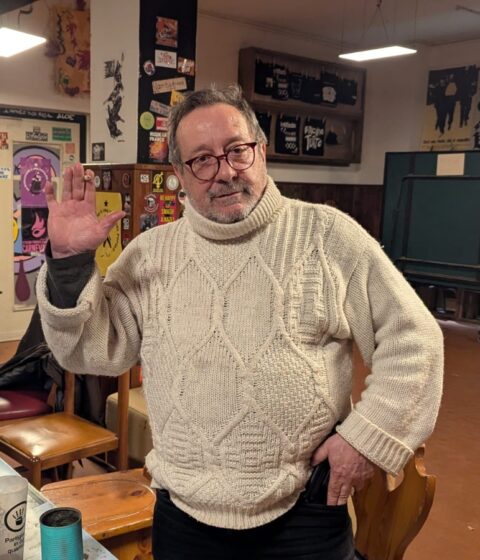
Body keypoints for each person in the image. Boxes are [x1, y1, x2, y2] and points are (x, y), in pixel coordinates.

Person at [36, 85, 443, 559]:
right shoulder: (150, 255)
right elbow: (89, 351)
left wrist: (365, 441)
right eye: (202, 160)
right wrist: (68, 263)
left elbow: (414, 339)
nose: (225, 172)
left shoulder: (328, 235)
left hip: (305, 512)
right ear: (179, 174)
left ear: (261, 151)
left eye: (237, 150)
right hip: (183, 516)